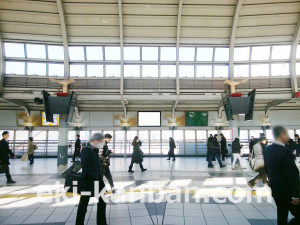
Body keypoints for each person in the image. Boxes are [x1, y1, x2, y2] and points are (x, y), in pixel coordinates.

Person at [264, 126, 300, 225]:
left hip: (276, 190)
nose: (288, 137)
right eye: (287, 135)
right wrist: (296, 195)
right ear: (282, 135)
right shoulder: (285, 152)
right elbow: (291, 175)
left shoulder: (267, 149)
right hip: (288, 192)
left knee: (282, 214)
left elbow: (267, 169)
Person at [76, 133, 107, 225]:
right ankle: (79, 223)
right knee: (83, 205)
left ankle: (101, 222)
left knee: (102, 201)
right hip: (88, 183)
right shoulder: (86, 150)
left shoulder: (94, 150)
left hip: (96, 181)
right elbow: (86, 167)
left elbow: (95, 167)